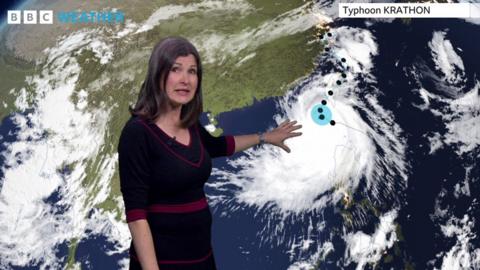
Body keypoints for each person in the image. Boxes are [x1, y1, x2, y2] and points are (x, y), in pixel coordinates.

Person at [117, 36, 302, 270]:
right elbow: (136, 215)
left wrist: (265, 137)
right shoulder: (137, 133)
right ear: (158, 74)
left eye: (192, 71)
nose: (185, 79)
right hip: (163, 263)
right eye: (176, 69)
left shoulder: (190, 126)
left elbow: (218, 146)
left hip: (201, 258)